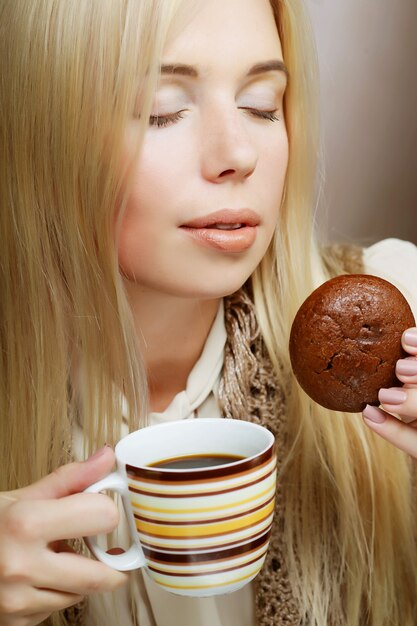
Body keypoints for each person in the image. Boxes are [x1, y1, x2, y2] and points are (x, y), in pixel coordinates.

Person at [1, 0, 417, 625]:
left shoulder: (402, 303)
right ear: (42, 134)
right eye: (163, 110)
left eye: (261, 105)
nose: (238, 154)